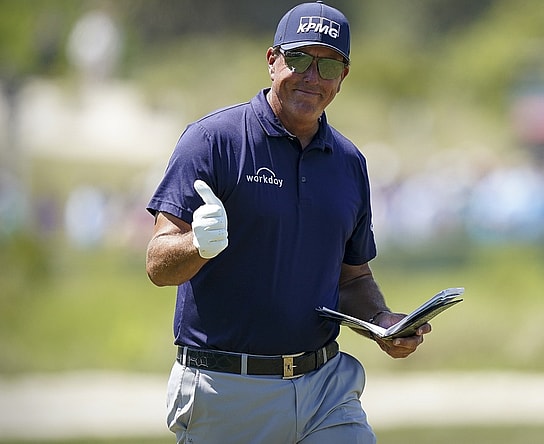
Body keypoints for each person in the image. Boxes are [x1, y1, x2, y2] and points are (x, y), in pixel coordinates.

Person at [144, 2, 430, 442]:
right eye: (299, 59)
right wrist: (196, 245)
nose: (312, 77)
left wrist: (382, 321)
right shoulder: (214, 141)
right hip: (228, 389)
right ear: (272, 60)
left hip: (325, 387)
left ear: (343, 77)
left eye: (329, 64)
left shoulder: (349, 162)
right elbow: (158, 265)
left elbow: (351, 277)